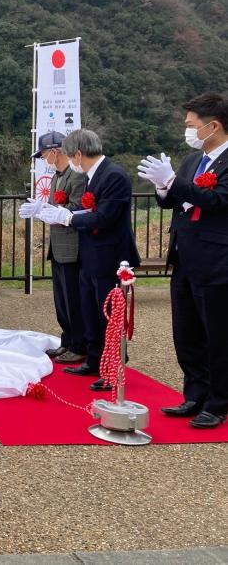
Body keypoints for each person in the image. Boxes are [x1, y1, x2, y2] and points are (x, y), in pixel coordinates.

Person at [138, 91, 228, 429]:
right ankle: (195, 393)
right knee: (186, 333)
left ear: (213, 125)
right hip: (184, 257)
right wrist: (162, 187)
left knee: (217, 335)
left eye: (191, 125)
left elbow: (217, 201)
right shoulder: (193, 160)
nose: (187, 130)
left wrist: (174, 182)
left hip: (217, 260)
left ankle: (218, 402)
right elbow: (174, 201)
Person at [34, 129, 140, 390]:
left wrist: (69, 218)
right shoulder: (93, 175)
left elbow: (104, 216)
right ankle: (94, 360)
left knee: (108, 315)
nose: (71, 161)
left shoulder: (113, 175)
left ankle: (113, 367)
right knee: (90, 311)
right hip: (90, 253)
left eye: (71, 156)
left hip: (110, 255)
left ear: (78, 154)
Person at [19, 131, 87, 364]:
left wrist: (51, 212)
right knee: (61, 299)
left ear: (55, 152)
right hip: (58, 245)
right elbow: (53, 205)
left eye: (43, 154)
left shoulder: (76, 176)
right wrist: (41, 209)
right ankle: (67, 340)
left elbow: (78, 207)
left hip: (72, 245)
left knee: (73, 299)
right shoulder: (57, 176)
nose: (42, 159)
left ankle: (79, 345)